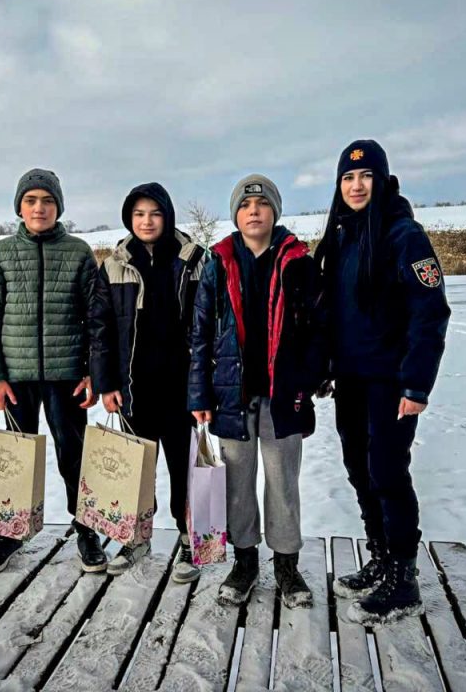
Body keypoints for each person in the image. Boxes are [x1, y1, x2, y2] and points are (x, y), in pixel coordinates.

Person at [315, 139, 451, 626]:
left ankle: (405, 578)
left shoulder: (404, 235)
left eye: (365, 176)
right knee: (359, 468)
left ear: (382, 180)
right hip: (351, 378)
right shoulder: (342, 234)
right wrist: (324, 365)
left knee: (389, 473)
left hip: (391, 383)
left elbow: (431, 311)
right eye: (348, 178)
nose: (356, 186)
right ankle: (381, 557)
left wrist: (416, 385)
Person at [188, 175, 322, 609]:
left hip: (283, 395)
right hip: (232, 395)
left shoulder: (298, 259)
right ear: (236, 215)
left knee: (283, 481)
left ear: (274, 212)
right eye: (246, 206)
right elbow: (200, 333)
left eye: (262, 204)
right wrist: (199, 395)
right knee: (237, 484)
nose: (254, 211)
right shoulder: (218, 262)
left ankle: (286, 564)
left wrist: (316, 375)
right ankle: (245, 561)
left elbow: (319, 327)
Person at [0, 168, 108, 575]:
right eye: (31, 201)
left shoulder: (79, 252)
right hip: (15, 377)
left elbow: (94, 316)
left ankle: (85, 527)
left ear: (58, 207)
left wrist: (91, 373)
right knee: (14, 456)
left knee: (74, 452)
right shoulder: (0, 254)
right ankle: (9, 532)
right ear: (20, 207)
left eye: (47, 201)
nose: (39, 208)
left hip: (67, 374)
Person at [90, 182, 206, 582]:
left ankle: (190, 539)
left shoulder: (193, 261)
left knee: (184, 468)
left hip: (181, 387)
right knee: (135, 469)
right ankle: (134, 537)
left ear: (167, 216)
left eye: (154, 213)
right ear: (130, 219)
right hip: (135, 388)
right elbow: (101, 329)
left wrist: (203, 383)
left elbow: (209, 325)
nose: (147, 221)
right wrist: (106, 383)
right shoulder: (114, 265)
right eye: (139, 214)